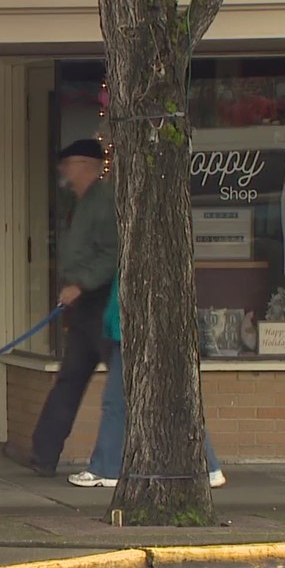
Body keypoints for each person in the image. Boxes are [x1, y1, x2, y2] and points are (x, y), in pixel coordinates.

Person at [68, 276, 228, 488]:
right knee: (173, 399)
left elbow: (121, 302)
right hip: (142, 333)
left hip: (133, 335)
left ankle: (107, 468)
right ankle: (208, 466)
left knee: (119, 402)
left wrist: (110, 330)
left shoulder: (136, 256)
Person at [30, 139, 118, 477]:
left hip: (101, 302)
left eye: (69, 164)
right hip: (82, 305)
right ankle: (44, 452)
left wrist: (81, 284)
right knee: (70, 377)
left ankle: (111, 461)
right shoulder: (79, 203)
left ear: (87, 164)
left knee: (120, 384)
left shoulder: (104, 201)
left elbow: (111, 253)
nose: (64, 171)